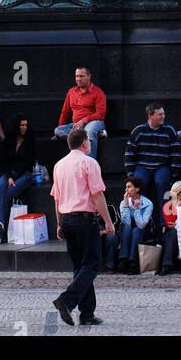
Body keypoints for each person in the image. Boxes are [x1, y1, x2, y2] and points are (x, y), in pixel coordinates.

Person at [50, 127, 115, 326]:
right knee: (92, 264)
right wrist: (108, 221)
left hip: (67, 218)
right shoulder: (89, 162)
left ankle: (87, 313)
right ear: (85, 143)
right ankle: (67, 300)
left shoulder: (59, 165)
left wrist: (59, 222)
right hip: (85, 219)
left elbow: (56, 197)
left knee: (81, 267)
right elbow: (97, 194)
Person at [124, 103, 181, 225]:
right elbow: (129, 154)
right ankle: (141, 222)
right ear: (150, 116)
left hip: (162, 166)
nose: (163, 116)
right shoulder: (138, 131)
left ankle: (166, 222)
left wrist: (174, 173)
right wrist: (131, 175)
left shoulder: (169, 131)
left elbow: (176, 153)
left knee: (164, 185)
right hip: (142, 166)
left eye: (163, 114)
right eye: (159, 114)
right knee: (138, 184)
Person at [0, 114, 36, 244]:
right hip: (8, 173)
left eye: (26, 125)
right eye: (22, 125)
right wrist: (9, 176)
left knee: (2, 197)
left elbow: (29, 162)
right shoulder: (8, 141)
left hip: (24, 174)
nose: (24, 128)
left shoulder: (30, 141)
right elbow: (3, 161)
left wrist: (13, 177)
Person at [53, 66, 107, 162]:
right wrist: (58, 134)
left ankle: (90, 164)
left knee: (88, 132)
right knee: (58, 131)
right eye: (77, 76)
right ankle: (96, 134)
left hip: (94, 122)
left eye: (81, 76)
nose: (78, 79)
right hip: (76, 125)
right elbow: (65, 112)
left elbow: (101, 114)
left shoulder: (98, 92)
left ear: (89, 76)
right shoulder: (71, 92)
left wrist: (84, 121)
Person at [107, 176, 153, 273]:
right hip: (127, 234)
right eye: (126, 187)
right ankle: (124, 259)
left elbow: (142, 225)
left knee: (136, 230)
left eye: (129, 187)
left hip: (143, 232)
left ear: (137, 189)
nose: (126, 190)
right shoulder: (123, 203)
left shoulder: (147, 203)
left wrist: (136, 210)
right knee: (127, 228)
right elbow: (126, 223)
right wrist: (127, 206)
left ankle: (133, 261)